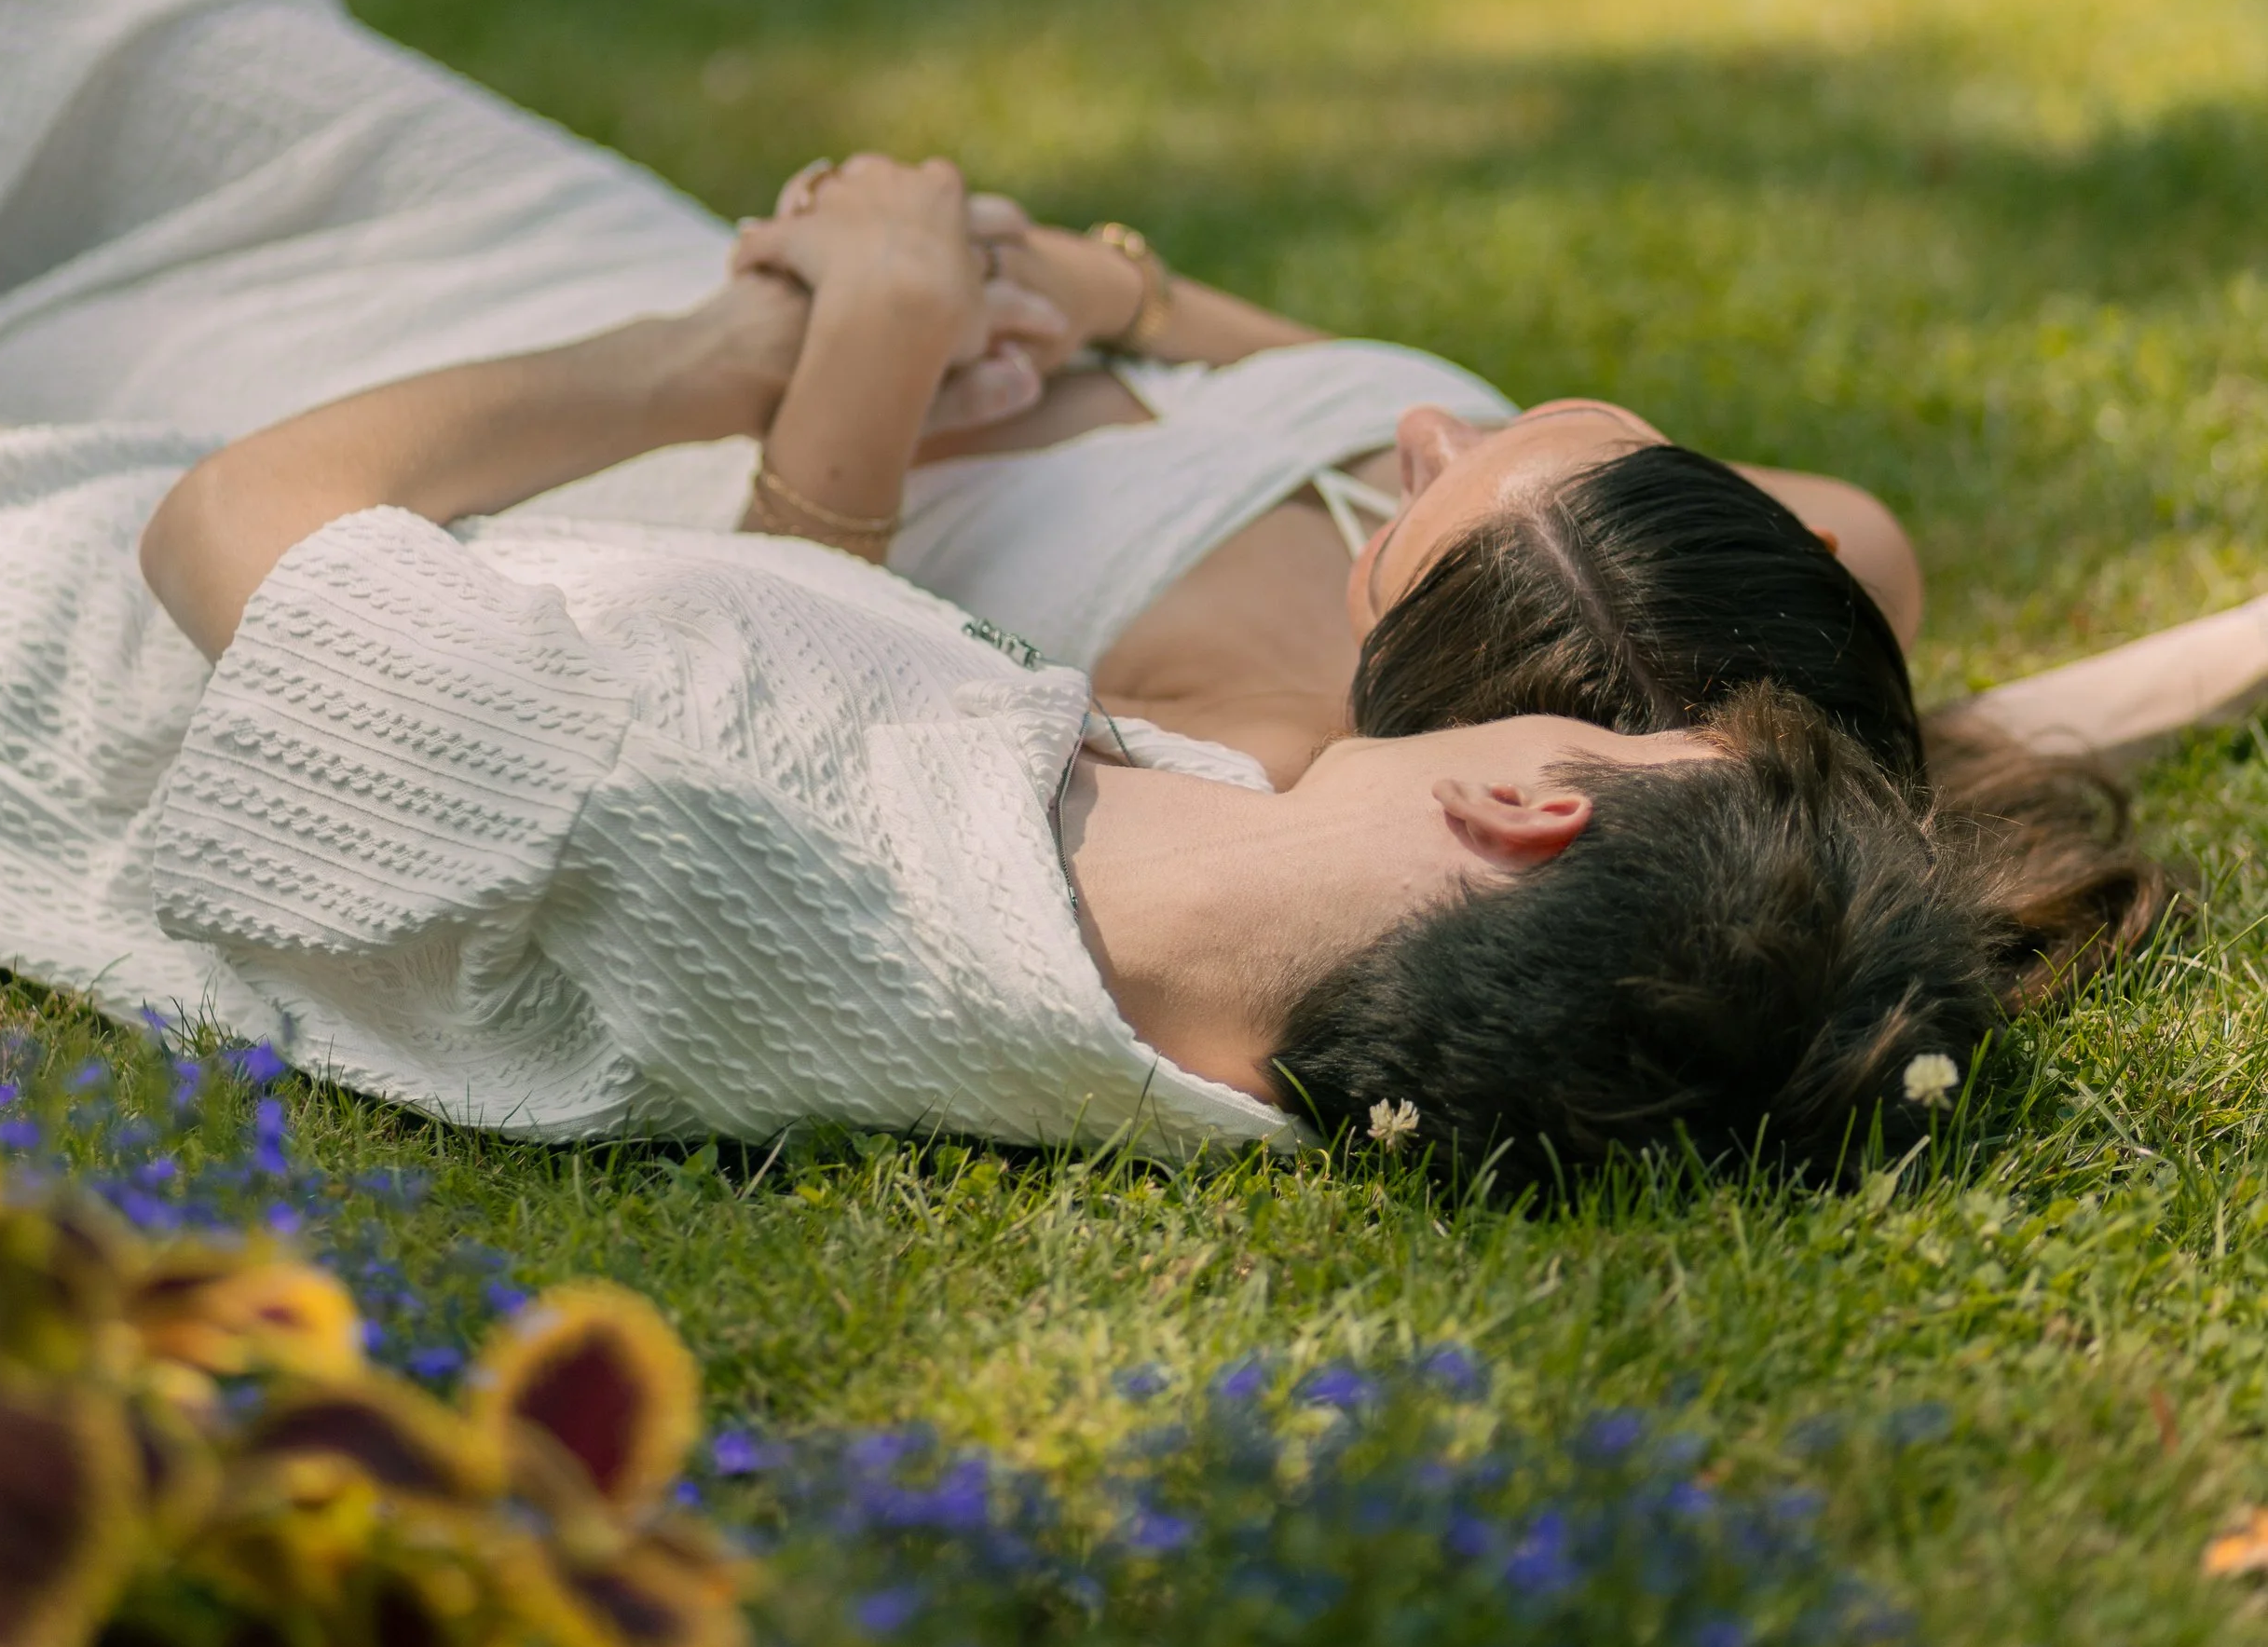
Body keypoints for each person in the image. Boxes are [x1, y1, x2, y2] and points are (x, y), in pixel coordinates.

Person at [0, 0, 2240, 804]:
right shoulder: (1789, 567)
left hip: (534, 404)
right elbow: (1250, 375)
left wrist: (870, 326)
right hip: (597, 240)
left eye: (1435, 476)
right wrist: (1080, 279)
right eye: (1544, 420)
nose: (1435, 423)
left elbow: (764, 700)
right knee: (127, 3)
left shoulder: (1243, 755)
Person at [109, 253, 2017, 1177]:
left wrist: (737, 359)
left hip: (74, 504)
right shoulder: (1211, 931)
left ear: (1530, 799)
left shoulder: (701, 790)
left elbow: (221, 530)